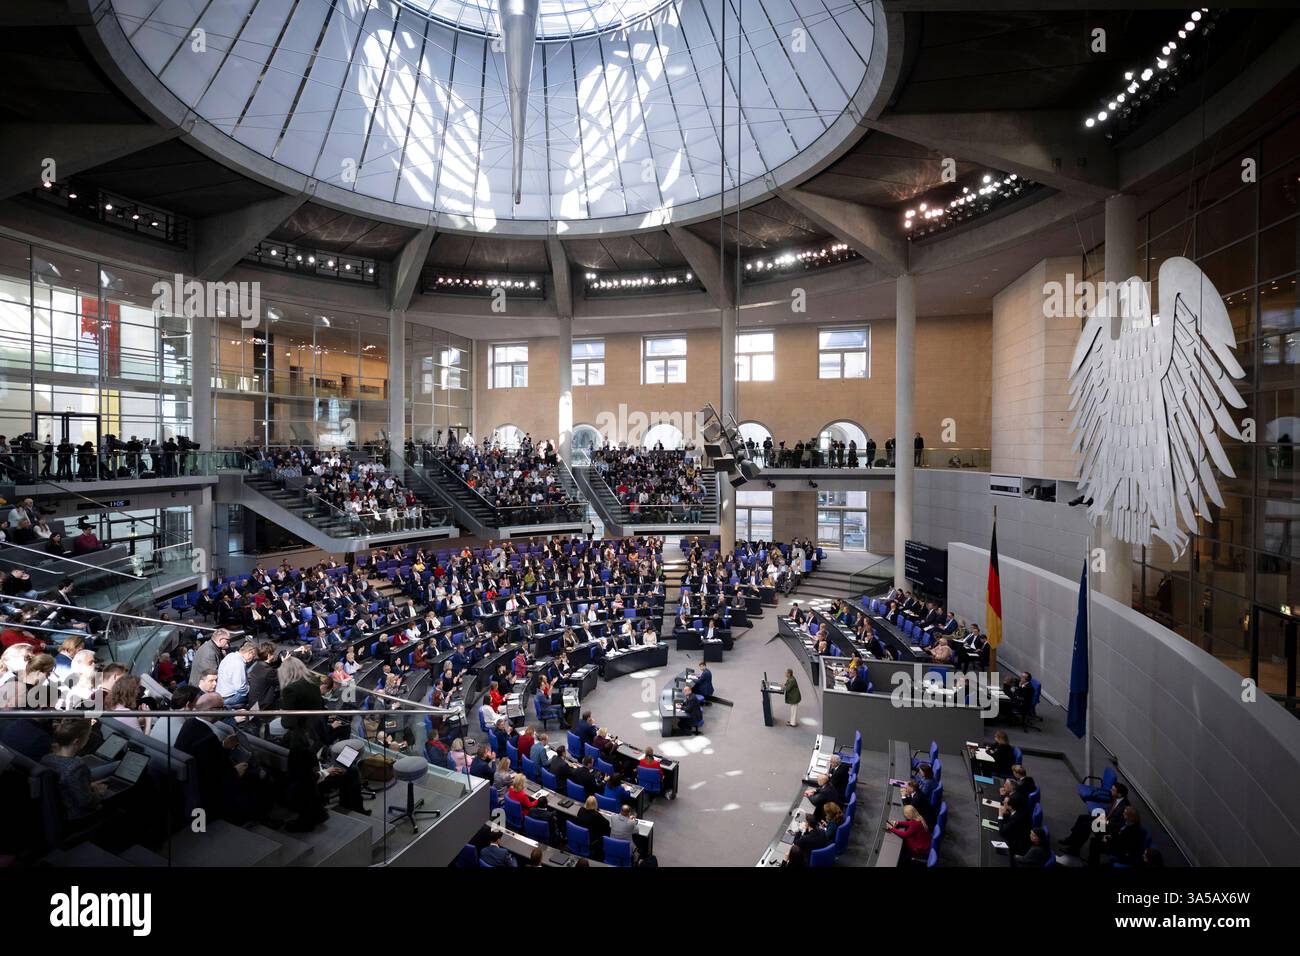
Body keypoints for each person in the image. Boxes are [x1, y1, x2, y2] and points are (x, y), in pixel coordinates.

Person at [575, 795, 610, 859]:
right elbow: (607, 823)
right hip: (591, 837)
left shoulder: (581, 809)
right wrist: (600, 815)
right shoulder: (596, 815)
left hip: (580, 834)